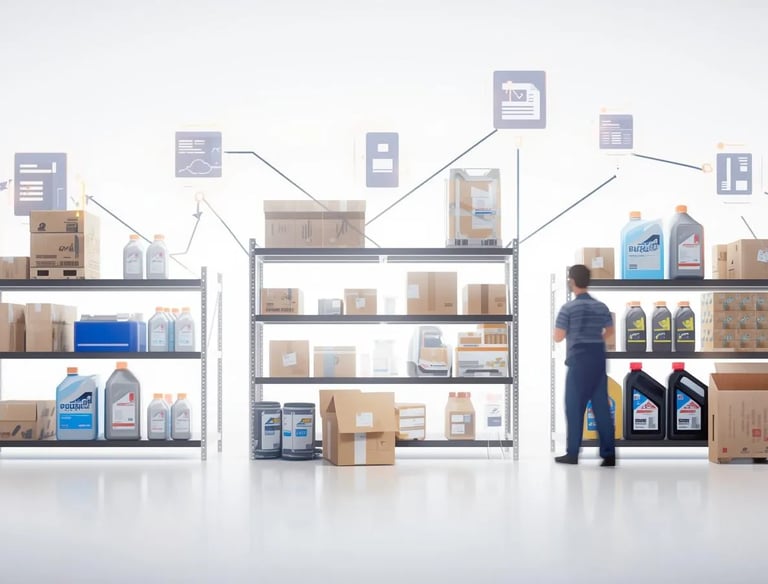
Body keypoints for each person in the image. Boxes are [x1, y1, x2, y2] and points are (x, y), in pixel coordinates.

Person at [553, 264, 616, 466]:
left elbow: (558, 337)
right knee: (601, 408)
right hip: (598, 358)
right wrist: (596, 337)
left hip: (579, 360)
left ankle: (572, 454)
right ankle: (608, 454)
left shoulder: (568, 308)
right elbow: (610, 330)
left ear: (572, 282)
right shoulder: (601, 306)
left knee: (574, 406)